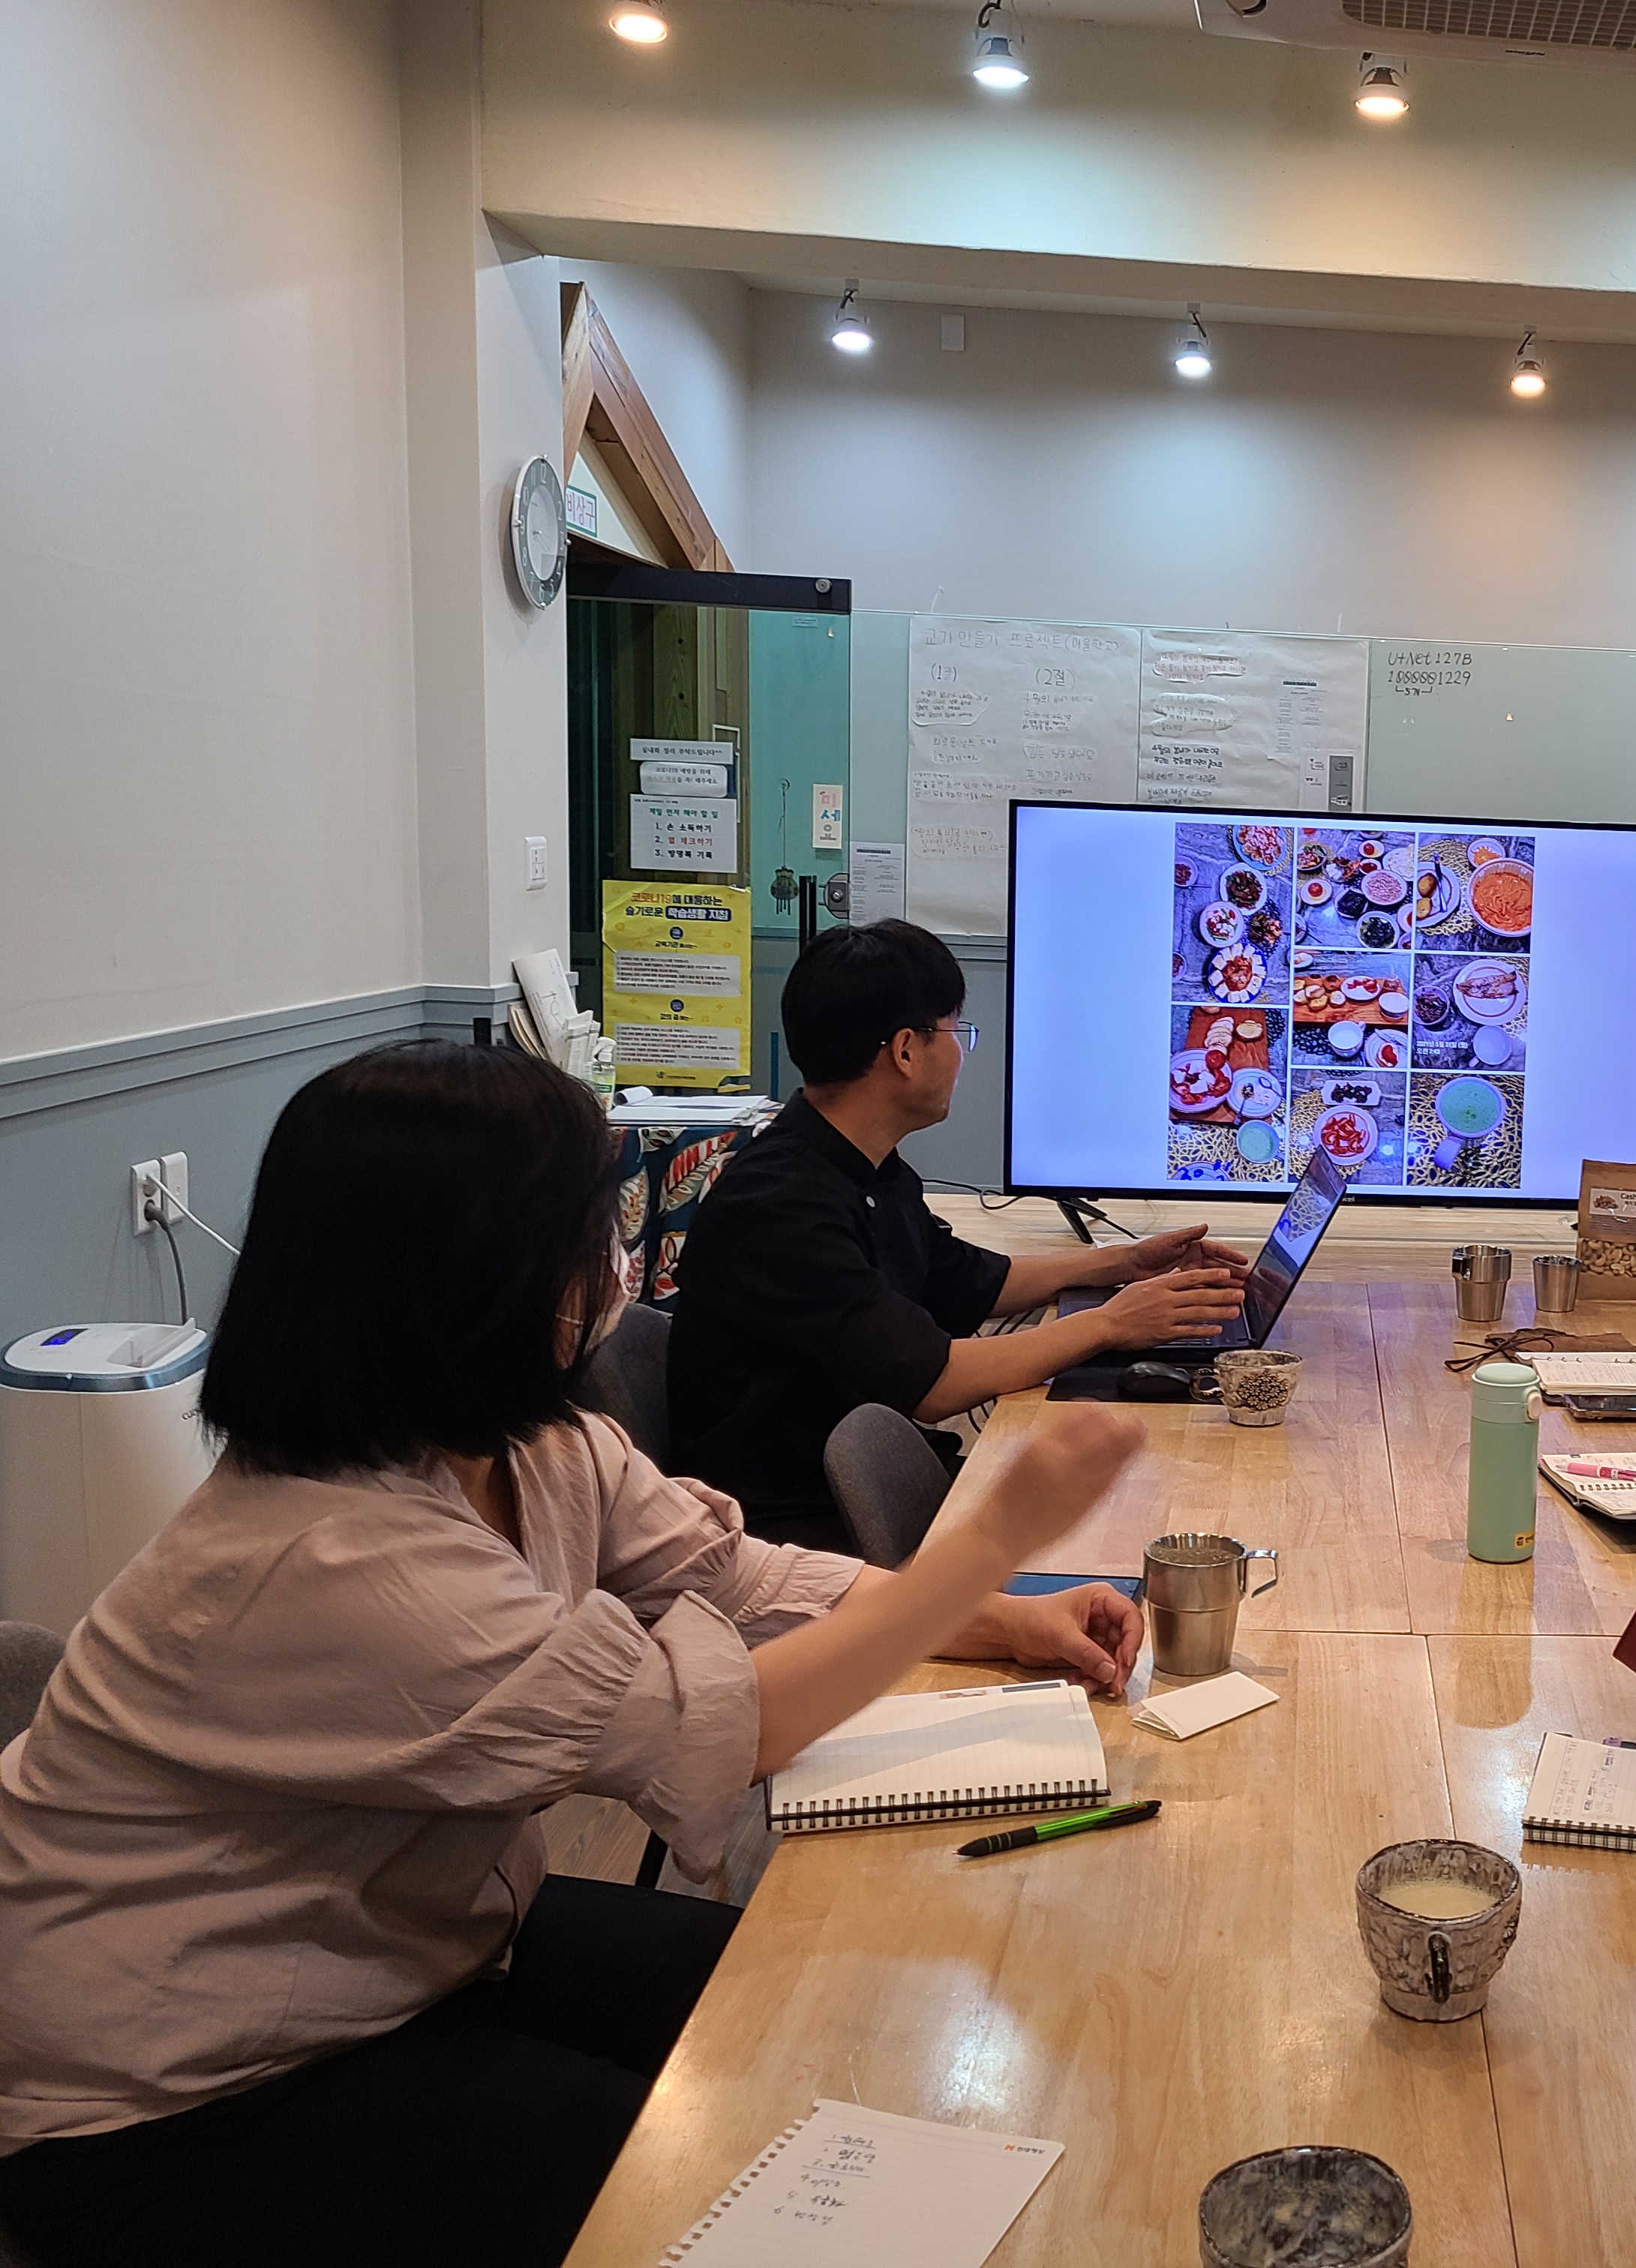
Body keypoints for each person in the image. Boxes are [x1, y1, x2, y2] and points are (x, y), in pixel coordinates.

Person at [0, 1041, 1151, 2268]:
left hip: (417, 1945)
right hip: (177, 2098)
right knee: (699, 2182)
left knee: (806, 2009)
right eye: (589, 1232)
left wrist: (1007, 1619)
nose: (617, 1263)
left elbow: (744, 1579)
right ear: (471, 1275)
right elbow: (730, 1729)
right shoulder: (334, 1560)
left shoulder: (526, 1443)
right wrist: (986, 1549)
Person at [671, 920, 1248, 1549]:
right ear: (905, 1051)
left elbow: (971, 1279)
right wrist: (1110, 1324)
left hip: (865, 1485)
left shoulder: (861, 1166)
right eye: (955, 1032)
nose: (961, 1054)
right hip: (796, 1531)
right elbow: (935, 1384)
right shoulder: (780, 1206)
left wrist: (1122, 1265)